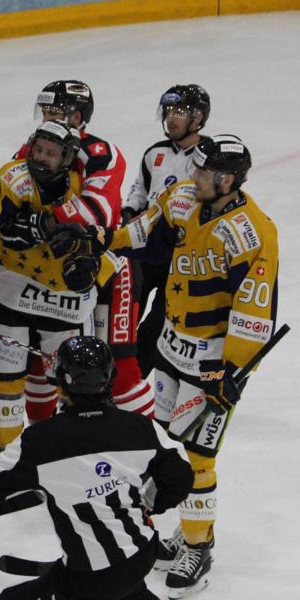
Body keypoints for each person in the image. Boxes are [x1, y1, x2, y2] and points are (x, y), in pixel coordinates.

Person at [91, 135, 278, 598]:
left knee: (199, 457)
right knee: (169, 440)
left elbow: (254, 310)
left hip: (214, 361)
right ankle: (190, 529)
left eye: (203, 172)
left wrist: (232, 372)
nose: (192, 177)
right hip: (172, 345)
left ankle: (199, 544)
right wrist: (101, 240)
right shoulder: (183, 198)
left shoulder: (252, 233)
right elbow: (143, 228)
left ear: (228, 179)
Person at [0, 336, 194, 600]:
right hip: (141, 554)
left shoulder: (39, 442)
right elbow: (181, 477)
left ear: (60, 383)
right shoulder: (142, 428)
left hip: (90, 576)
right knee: (123, 586)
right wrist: (151, 503)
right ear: (111, 378)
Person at [0, 79, 154, 423]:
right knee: (43, 366)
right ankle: (48, 440)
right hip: (56, 271)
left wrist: (38, 226)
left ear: (78, 117)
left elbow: (96, 215)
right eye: (45, 111)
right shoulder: (38, 145)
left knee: (117, 369)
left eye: (56, 112)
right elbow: (9, 199)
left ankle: (149, 441)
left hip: (110, 262)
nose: (47, 118)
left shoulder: (100, 154)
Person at [0, 119, 120, 451]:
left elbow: (116, 240)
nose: (41, 158)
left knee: (74, 386)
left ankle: (66, 456)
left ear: (67, 158)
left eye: (51, 153)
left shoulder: (85, 191)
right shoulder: (15, 176)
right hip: (12, 294)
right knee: (4, 384)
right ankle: (9, 460)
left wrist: (94, 269)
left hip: (65, 303)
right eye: (38, 150)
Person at [122, 84, 212, 378]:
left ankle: (134, 379)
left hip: (181, 257)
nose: (172, 118)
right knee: (124, 315)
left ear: (198, 118)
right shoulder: (154, 153)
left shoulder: (211, 157)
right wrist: (128, 212)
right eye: (169, 111)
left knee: (158, 322)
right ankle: (111, 375)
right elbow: (141, 190)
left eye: (181, 112)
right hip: (145, 249)